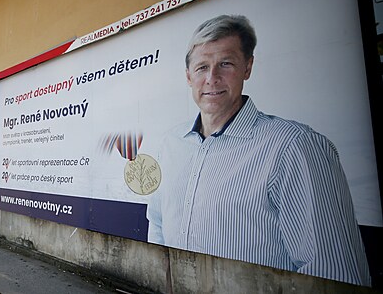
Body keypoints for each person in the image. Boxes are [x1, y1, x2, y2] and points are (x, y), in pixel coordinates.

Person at [146, 14, 371, 286]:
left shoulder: (294, 147)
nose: (212, 78)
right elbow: (157, 224)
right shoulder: (171, 145)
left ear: (248, 68)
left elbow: (334, 275)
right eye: (202, 67)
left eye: (225, 64)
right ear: (188, 76)